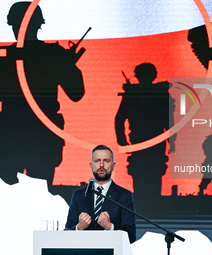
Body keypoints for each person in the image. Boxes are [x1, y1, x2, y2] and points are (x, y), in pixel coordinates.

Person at [0, 2, 85, 197]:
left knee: (10, 193)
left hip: (16, 136)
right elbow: (76, 93)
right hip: (36, 137)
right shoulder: (53, 55)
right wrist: (68, 66)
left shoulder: (4, 57)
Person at [115, 63, 176, 209]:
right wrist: (122, 140)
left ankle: (150, 207)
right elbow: (119, 119)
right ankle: (145, 207)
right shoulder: (136, 94)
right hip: (143, 142)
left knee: (152, 172)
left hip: (150, 142)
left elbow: (169, 121)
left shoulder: (138, 94)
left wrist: (172, 140)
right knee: (143, 173)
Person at [65, 145, 136, 244]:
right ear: (91, 165)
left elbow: (131, 236)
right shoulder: (79, 195)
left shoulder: (124, 196)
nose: (101, 165)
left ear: (113, 166)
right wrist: (79, 227)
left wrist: (110, 227)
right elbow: (66, 232)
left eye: (106, 161)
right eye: (97, 161)